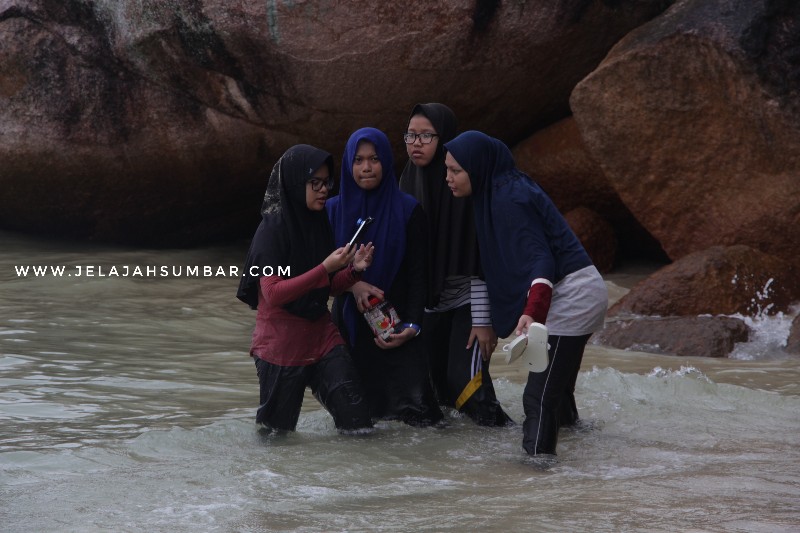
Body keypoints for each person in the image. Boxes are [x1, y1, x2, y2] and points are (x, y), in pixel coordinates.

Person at [443, 130, 608, 456]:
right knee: (557, 393)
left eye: (455, 171)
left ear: (477, 168)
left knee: (538, 396)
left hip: (571, 296)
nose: (447, 178)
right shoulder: (500, 188)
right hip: (578, 288)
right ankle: (581, 449)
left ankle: (537, 473)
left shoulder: (507, 199)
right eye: (446, 169)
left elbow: (540, 259)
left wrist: (532, 311)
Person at [236, 144, 375, 434]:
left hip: (322, 336)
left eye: (327, 183)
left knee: (359, 426)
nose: (324, 190)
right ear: (297, 183)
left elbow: (324, 288)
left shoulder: (317, 222)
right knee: (277, 437)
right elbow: (273, 292)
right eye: (315, 183)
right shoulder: (271, 230)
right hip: (281, 346)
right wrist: (325, 267)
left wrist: (353, 271)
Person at [399, 103, 513, 427]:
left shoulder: (461, 185)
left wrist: (482, 321)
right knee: (440, 395)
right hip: (431, 307)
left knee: (467, 384)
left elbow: (478, 258)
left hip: (469, 303)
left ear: (445, 137)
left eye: (426, 136)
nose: (416, 143)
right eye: (410, 135)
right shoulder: (406, 183)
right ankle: (454, 471)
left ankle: (512, 448)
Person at [327, 127, 444, 427]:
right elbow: (316, 274)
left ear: (387, 161)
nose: (366, 168)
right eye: (358, 160)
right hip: (350, 329)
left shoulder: (408, 210)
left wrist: (414, 326)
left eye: (374, 159)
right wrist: (352, 285)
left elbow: (420, 276)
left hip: (398, 328)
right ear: (348, 165)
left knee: (422, 419)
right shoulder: (331, 212)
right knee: (360, 425)